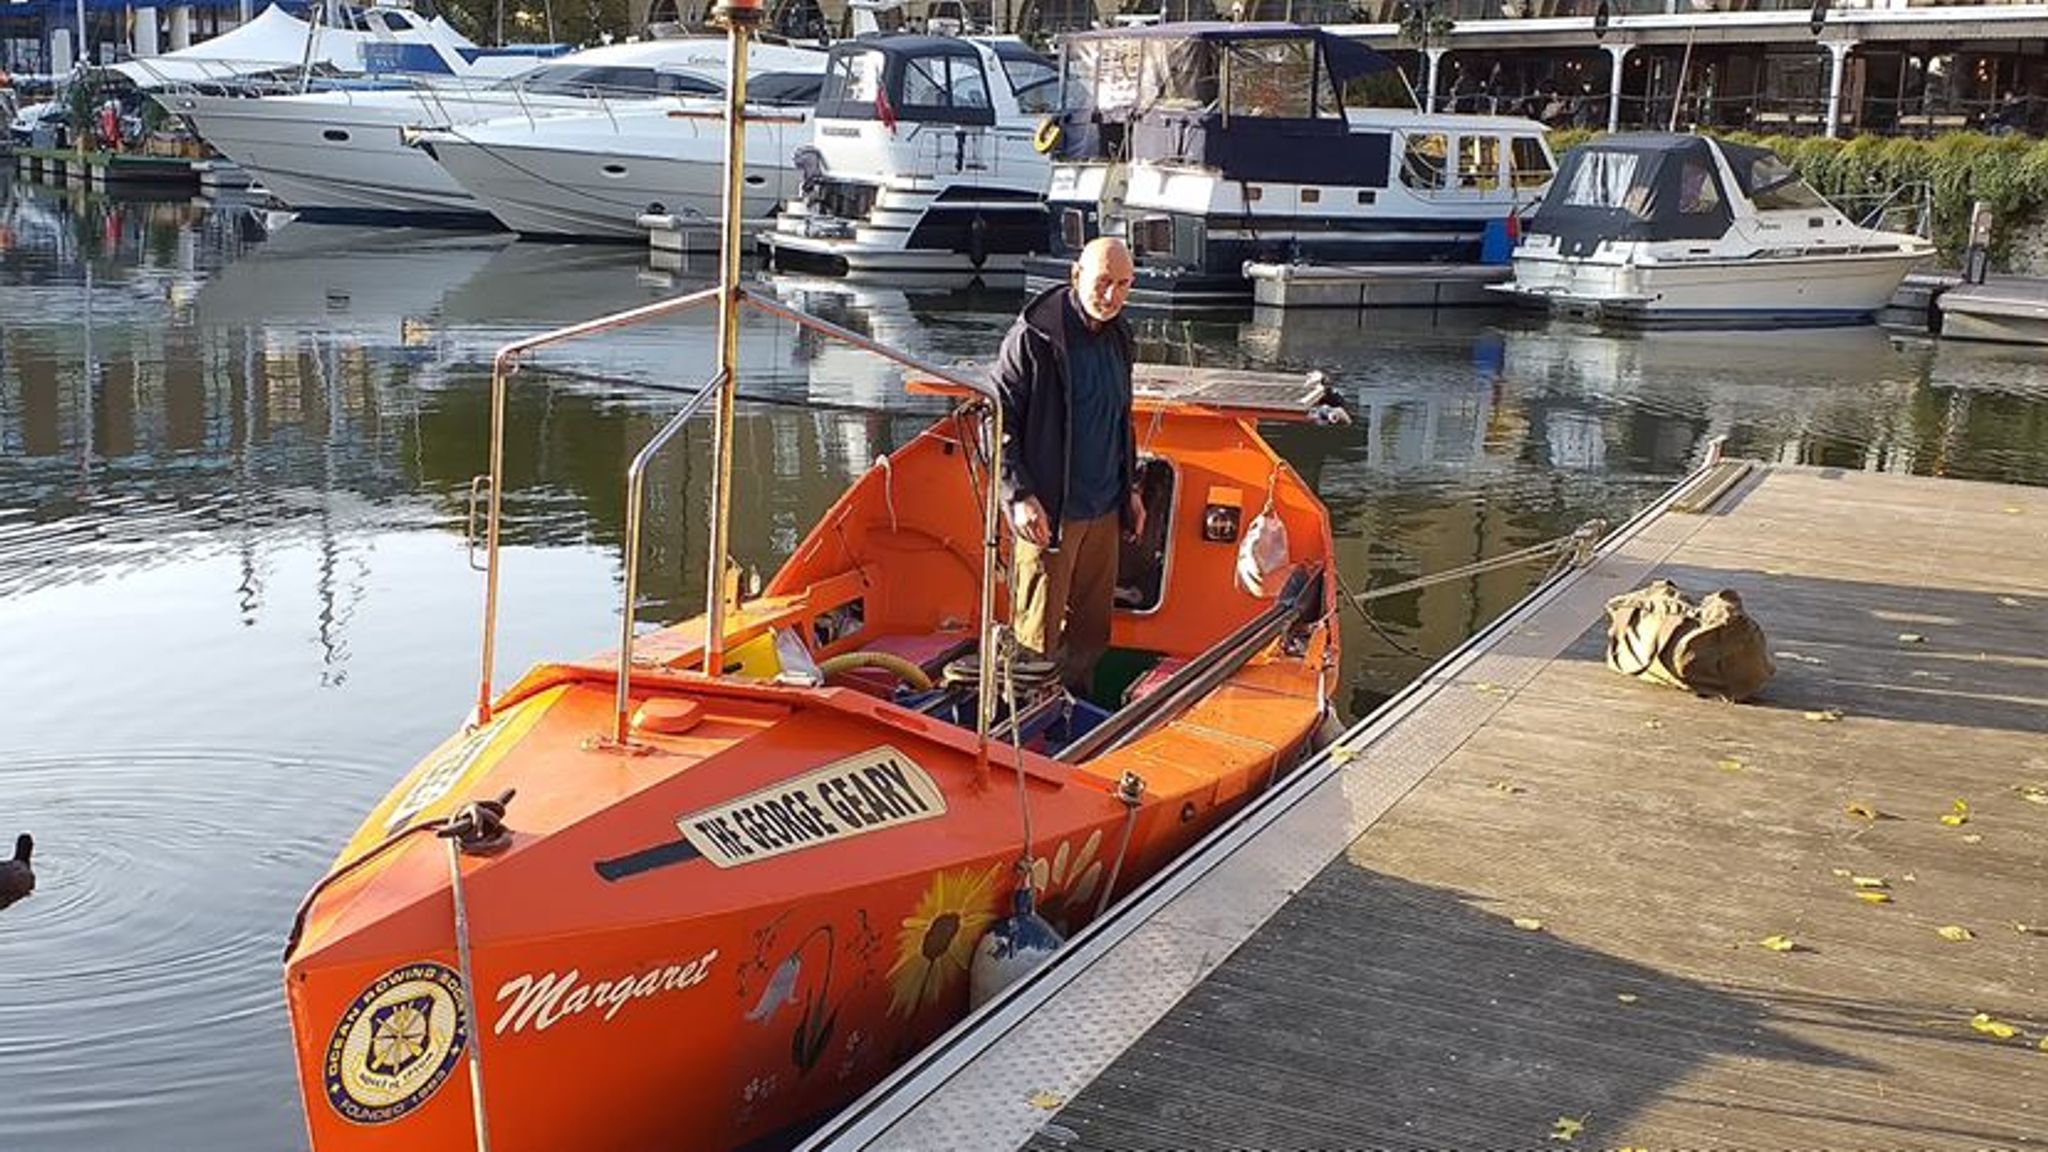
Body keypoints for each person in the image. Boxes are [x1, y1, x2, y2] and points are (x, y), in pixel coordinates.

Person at [993, 236, 1143, 697]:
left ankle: (1076, 714)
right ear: (1075, 276)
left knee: (1091, 633)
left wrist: (1130, 489)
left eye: (1123, 285)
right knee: (1035, 638)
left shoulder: (1120, 335)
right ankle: (1022, 730)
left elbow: (1119, 417)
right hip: (1050, 513)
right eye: (1103, 282)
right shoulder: (1034, 337)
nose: (1112, 296)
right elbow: (997, 418)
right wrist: (1017, 495)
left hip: (1103, 507)